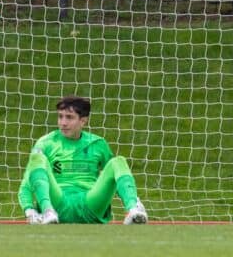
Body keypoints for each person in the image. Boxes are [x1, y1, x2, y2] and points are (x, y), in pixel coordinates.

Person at [18, 96, 148, 225]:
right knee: (37, 158)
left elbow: (116, 177)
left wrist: (129, 195)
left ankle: (133, 209)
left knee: (118, 161)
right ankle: (47, 211)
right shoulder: (46, 143)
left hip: (90, 205)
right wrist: (29, 209)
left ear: (83, 120)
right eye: (60, 116)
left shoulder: (98, 143)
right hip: (57, 204)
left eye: (69, 117)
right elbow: (27, 180)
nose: (63, 122)